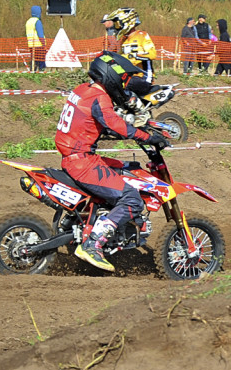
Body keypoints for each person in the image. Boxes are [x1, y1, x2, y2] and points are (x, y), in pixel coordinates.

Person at [55, 54, 169, 271]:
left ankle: (90, 225)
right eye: (124, 79)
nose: (125, 85)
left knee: (127, 168)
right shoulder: (100, 98)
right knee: (132, 198)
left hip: (74, 156)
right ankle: (92, 245)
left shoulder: (82, 90)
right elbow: (116, 124)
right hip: (82, 162)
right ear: (112, 76)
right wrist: (147, 136)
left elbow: (93, 123)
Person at [103, 8, 158, 82]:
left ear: (127, 22)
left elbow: (152, 54)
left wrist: (134, 55)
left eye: (118, 24)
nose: (116, 27)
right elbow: (119, 57)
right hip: (129, 76)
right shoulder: (124, 40)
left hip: (143, 76)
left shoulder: (141, 35)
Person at [25, 5, 46, 72]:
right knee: (41, 61)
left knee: (34, 60)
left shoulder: (28, 22)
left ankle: (32, 72)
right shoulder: (37, 22)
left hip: (31, 45)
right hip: (39, 45)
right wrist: (44, 44)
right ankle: (41, 73)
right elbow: (40, 34)